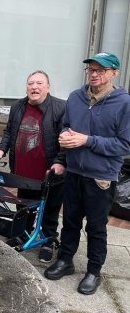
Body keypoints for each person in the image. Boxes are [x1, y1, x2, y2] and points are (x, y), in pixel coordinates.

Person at [44, 53, 130, 294]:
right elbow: (67, 130)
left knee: (96, 226)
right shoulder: (75, 97)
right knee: (70, 220)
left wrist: (87, 141)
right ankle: (66, 260)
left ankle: (94, 271)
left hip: (101, 176)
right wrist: (62, 155)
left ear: (114, 73)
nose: (94, 74)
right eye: (91, 69)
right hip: (73, 172)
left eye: (101, 70)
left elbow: (125, 145)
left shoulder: (124, 103)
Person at [0, 70, 66, 263]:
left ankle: (48, 239)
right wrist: (1, 149)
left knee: (50, 208)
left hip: (49, 172)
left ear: (47, 87)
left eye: (39, 83)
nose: (34, 87)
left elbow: (65, 140)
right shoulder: (18, 106)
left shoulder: (60, 107)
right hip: (24, 171)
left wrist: (60, 162)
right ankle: (25, 233)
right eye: (31, 83)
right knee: (25, 206)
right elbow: (9, 132)